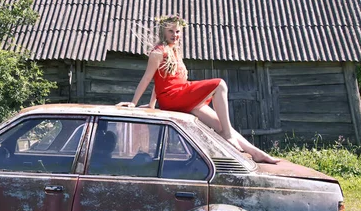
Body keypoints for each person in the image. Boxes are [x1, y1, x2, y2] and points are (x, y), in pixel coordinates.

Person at [118, 15, 279, 164]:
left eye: (178, 31)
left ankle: (256, 153)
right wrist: (134, 102)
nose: (175, 35)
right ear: (163, 32)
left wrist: (152, 104)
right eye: (171, 31)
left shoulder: (174, 51)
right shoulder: (158, 52)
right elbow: (148, 78)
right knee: (220, 84)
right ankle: (228, 137)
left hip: (181, 95)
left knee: (221, 124)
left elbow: (159, 80)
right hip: (174, 97)